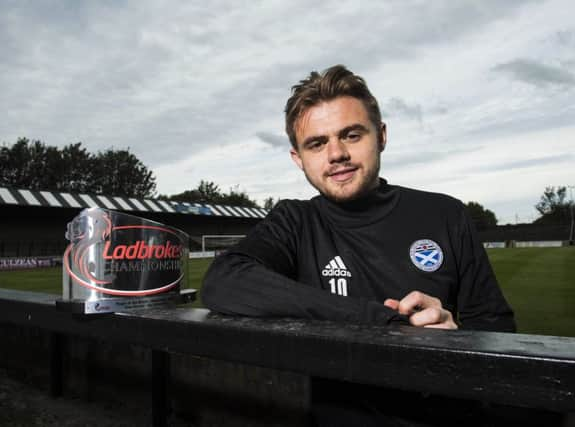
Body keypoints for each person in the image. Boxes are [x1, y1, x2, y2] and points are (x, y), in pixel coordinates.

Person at [202, 64, 515, 333]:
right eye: (316, 144)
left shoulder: (445, 214)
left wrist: (454, 333)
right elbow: (224, 281)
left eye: (351, 135)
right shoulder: (294, 221)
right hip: (327, 403)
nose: (337, 154)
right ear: (298, 159)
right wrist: (383, 321)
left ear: (381, 136)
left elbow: (497, 329)